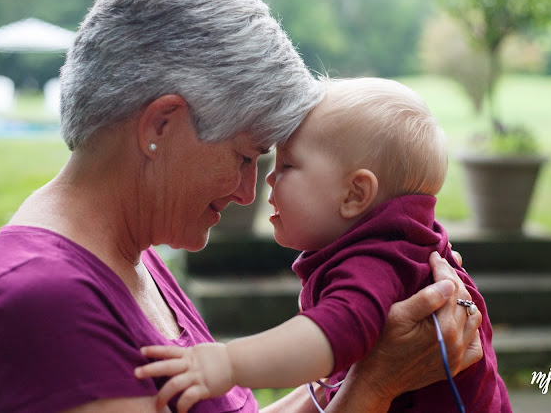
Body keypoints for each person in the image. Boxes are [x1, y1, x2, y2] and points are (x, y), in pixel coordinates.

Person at [0, 0, 482, 412]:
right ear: (161, 125)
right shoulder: (46, 303)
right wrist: (374, 388)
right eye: (247, 157)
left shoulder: (133, 255)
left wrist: (363, 371)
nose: (249, 193)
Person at [135, 78, 510, 412]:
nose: (266, 181)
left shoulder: (377, 258)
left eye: (287, 166)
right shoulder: (398, 241)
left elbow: (330, 337)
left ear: (355, 194)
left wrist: (228, 364)